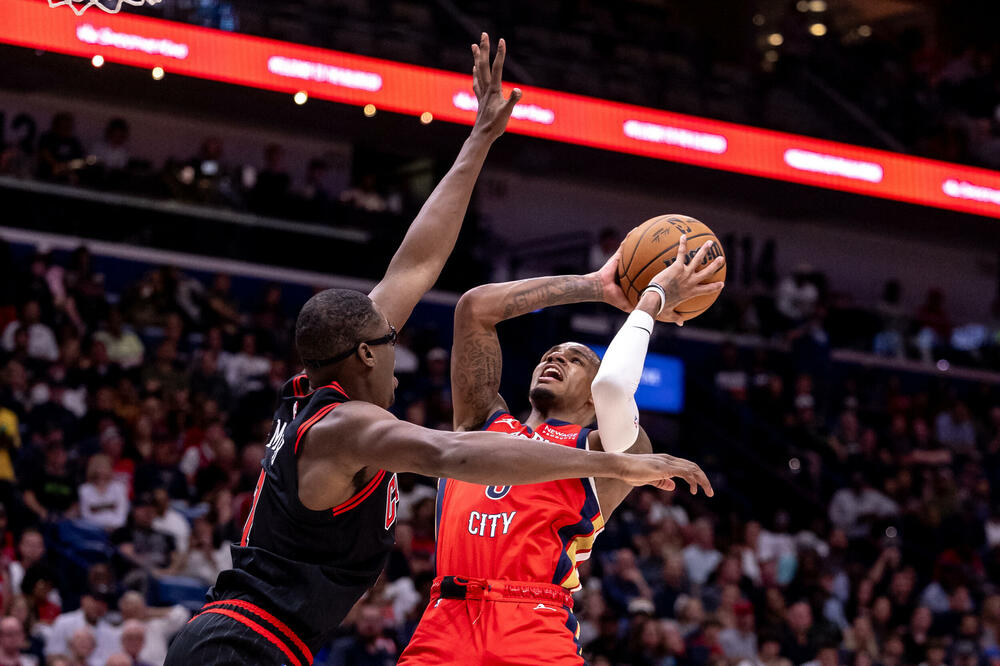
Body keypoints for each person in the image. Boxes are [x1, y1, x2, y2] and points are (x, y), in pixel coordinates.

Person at [164, 35, 695, 666]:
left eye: (576, 355)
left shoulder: (325, 380)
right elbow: (449, 451)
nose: (397, 347)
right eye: (388, 343)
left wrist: (480, 141)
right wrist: (625, 469)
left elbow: (415, 264)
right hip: (258, 641)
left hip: (283, 635)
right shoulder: (352, 424)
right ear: (364, 355)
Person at [398, 235, 721, 664]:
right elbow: (474, 308)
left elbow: (612, 387)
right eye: (551, 353)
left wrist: (652, 301)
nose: (555, 358)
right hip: (447, 616)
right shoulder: (481, 423)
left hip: (534, 620)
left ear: (591, 401)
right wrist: (593, 285)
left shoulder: (608, 450)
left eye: (574, 359)